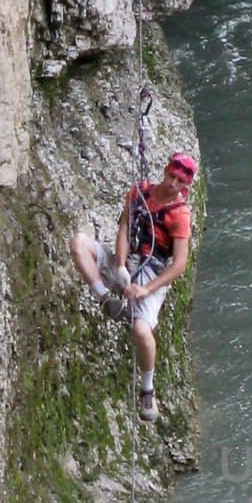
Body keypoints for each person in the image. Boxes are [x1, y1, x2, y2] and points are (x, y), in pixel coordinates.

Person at [69, 151, 196, 422]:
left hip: (153, 272)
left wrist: (146, 289)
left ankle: (148, 390)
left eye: (179, 181)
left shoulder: (180, 216)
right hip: (127, 262)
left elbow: (179, 264)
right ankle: (106, 300)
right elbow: (125, 227)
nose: (173, 183)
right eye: (171, 176)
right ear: (166, 170)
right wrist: (121, 264)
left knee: (141, 329)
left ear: (186, 186)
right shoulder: (140, 192)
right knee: (79, 242)